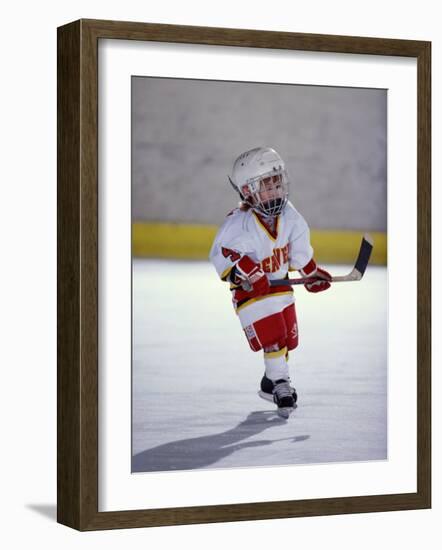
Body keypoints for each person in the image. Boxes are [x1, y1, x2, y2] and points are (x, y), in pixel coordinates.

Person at [209, 147, 332, 418]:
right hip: (251, 294)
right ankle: (280, 383)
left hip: (281, 288)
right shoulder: (239, 223)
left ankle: (269, 381)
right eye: (267, 185)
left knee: (287, 337)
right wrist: (248, 272)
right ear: (247, 191)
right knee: (274, 336)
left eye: (277, 182)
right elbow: (221, 253)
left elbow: (299, 250)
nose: (275, 189)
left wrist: (310, 274)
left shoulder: (289, 215)